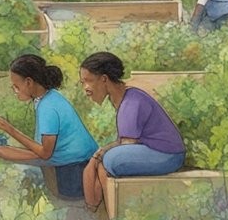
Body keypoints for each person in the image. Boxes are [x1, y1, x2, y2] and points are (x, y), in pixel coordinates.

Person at [79, 52, 186, 211]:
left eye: (88, 81)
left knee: (110, 160)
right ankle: (103, 212)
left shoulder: (131, 101)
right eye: (82, 83)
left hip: (167, 155)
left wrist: (100, 154)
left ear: (104, 79)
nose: (85, 88)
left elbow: (128, 143)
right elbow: (126, 142)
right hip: (157, 151)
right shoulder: (123, 98)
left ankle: (102, 212)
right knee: (104, 161)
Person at [0, 54, 99, 199]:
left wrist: (9, 129)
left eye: (16, 86)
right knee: (3, 150)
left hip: (75, 165)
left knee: (1, 151)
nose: (15, 91)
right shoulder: (50, 97)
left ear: (29, 82)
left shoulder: (48, 106)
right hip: (74, 157)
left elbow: (45, 153)